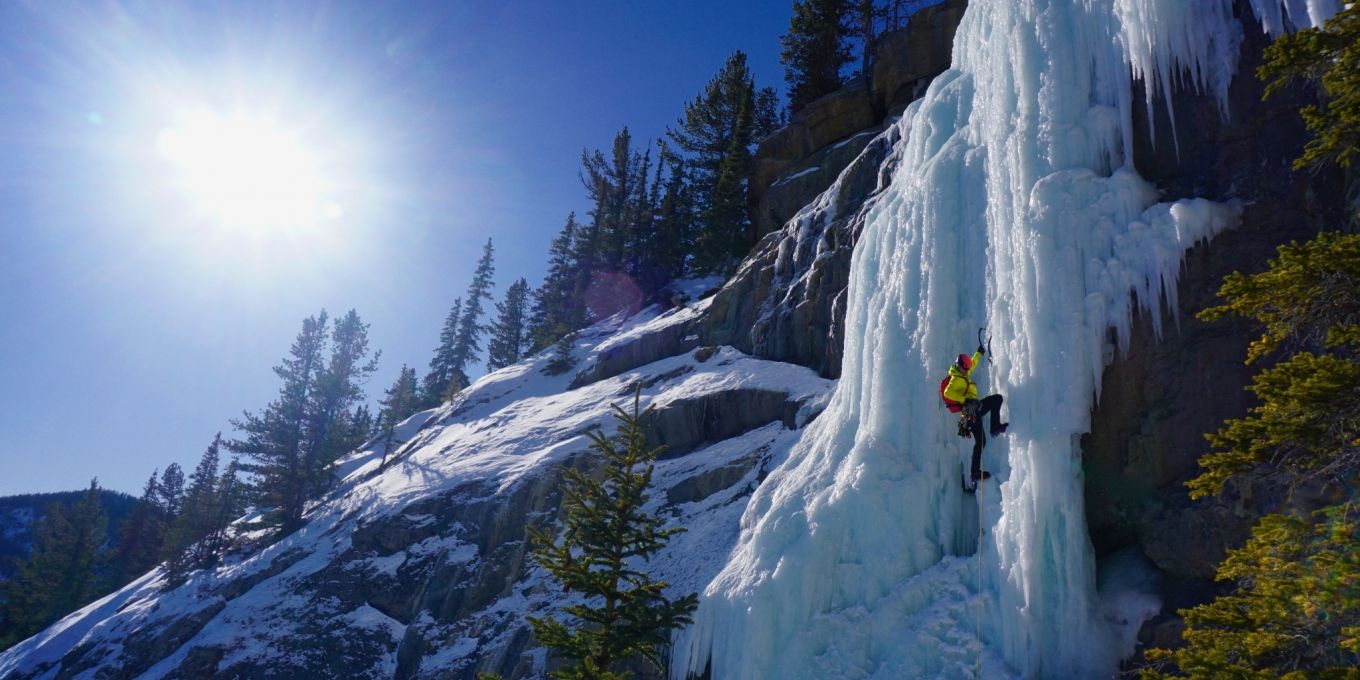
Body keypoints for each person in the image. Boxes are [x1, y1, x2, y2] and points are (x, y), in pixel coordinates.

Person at [940, 344, 1008, 486]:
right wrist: (965, 399)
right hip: (971, 410)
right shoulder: (956, 378)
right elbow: (947, 393)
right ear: (959, 366)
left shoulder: (963, 374)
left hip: (970, 413)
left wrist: (978, 353)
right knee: (997, 399)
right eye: (965, 368)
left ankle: (974, 473)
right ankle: (994, 427)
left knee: (980, 442)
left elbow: (973, 365)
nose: (967, 370)